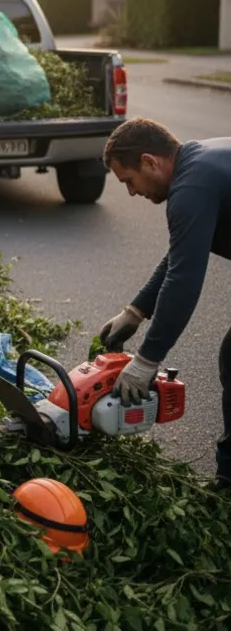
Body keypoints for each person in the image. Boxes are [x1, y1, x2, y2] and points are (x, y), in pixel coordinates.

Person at [97, 118, 231, 489]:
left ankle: (229, 479)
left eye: (129, 181)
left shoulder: (191, 188)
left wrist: (146, 361)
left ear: (149, 162)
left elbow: (185, 280)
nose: (131, 192)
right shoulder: (200, 162)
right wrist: (135, 311)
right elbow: (180, 254)